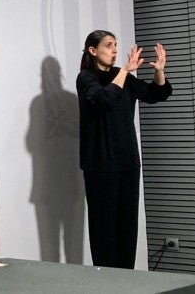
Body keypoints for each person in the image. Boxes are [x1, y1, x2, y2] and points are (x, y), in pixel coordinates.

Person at [76, 29, 172, 269]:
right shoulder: (87, 78)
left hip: (128, 162)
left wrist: (159, 71)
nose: (115, 50)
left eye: (116, 45)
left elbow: (156, 94)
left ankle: (126, 283)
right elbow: (103, 99)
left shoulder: (123, 76)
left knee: (127, 230)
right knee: (104, 230)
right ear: (93, 50)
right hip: (100, 165)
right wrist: (126, 70)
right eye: (109, 45)